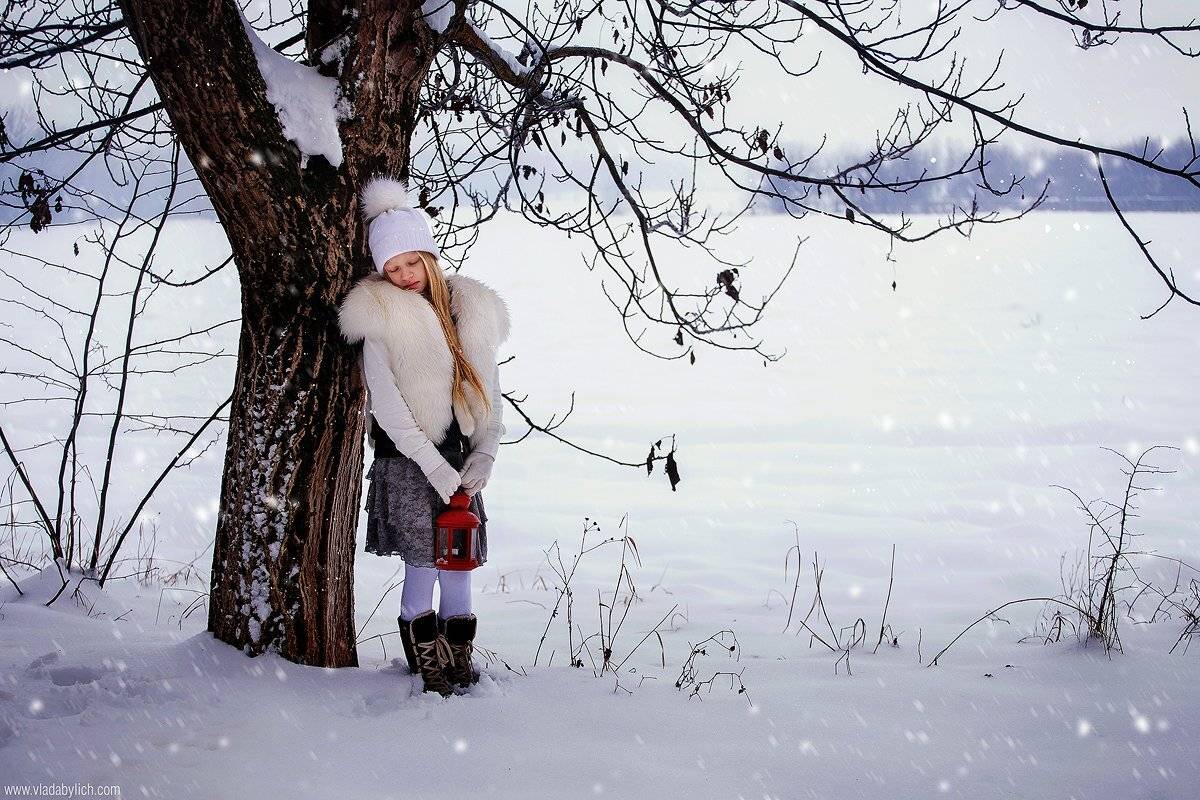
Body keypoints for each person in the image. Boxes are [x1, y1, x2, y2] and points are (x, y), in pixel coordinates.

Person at [337, 175, 510, 697]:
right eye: (392, 269)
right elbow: (388, 410)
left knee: (458, 561)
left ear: (428, 256)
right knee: (422, 562)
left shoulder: (469, 310)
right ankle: (425, 665)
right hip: (409, 463)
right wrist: (433, 468)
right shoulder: (380, 318)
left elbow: (491, 394)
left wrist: (486, 452)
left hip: (460, 463)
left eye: (411, 262)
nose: (405, 276)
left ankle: (460, 661)